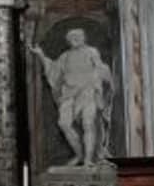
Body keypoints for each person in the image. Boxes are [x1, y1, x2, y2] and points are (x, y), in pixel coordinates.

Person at [34, 28, 115, 166]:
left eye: (78, 37)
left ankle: (88, 159)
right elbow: (53, 70)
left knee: (88, 123)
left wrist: (103, 77)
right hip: (69, 94)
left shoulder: (91, 51)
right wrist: (41, 55)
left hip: (88, 91)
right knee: (64, 124)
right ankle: (79, 154)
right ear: (68, 41)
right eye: (72, 38)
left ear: (83, 38)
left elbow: (100, 67)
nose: (75, 39)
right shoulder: (65, 56)